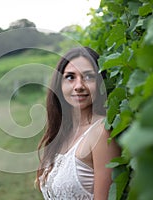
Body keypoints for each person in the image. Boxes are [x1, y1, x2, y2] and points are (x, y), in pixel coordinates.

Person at [36, 47, 120, 200]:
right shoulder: (63, 132)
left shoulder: (101, 132)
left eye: (88, 77)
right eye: (70, 77)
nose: (79, 86)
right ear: (59, 85)